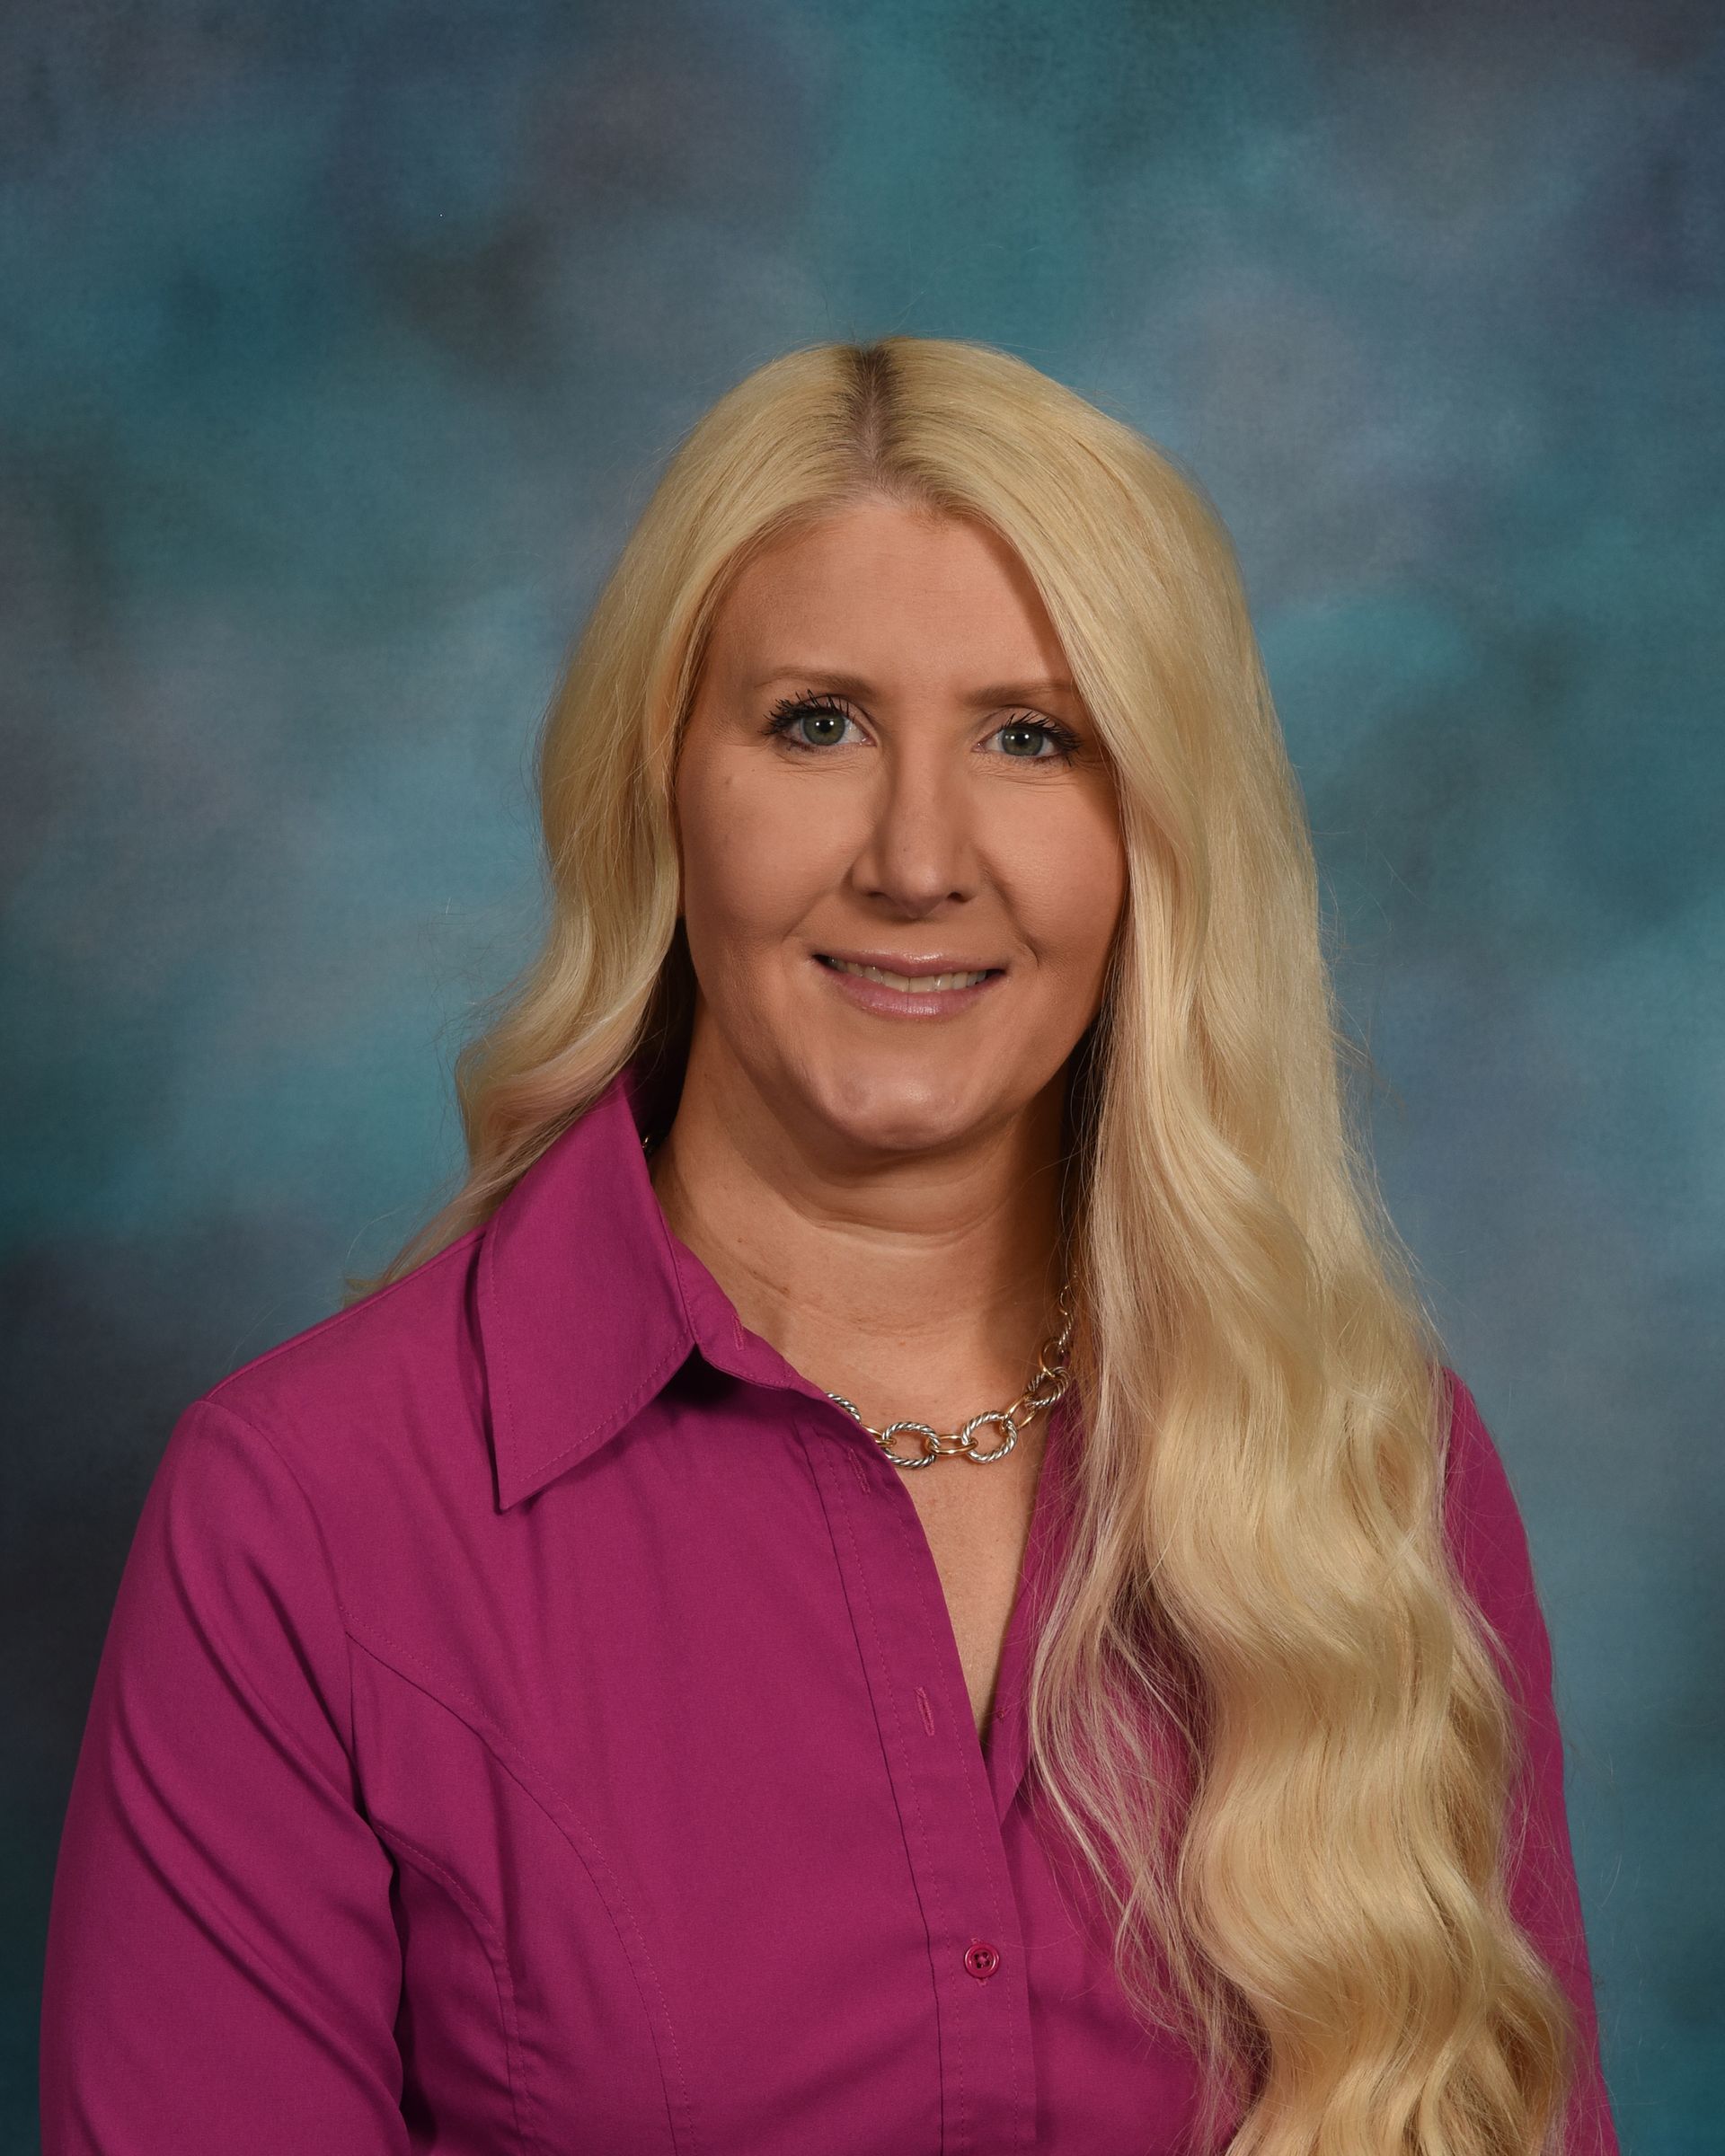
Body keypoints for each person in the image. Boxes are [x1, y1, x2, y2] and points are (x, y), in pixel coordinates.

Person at [40, 336, 1619, 2154]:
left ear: (1155, 840)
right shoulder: (309, 1517)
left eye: (1032, 738)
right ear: (666, 785)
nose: (918, 859)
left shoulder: (1378, 1472)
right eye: (817, 725)